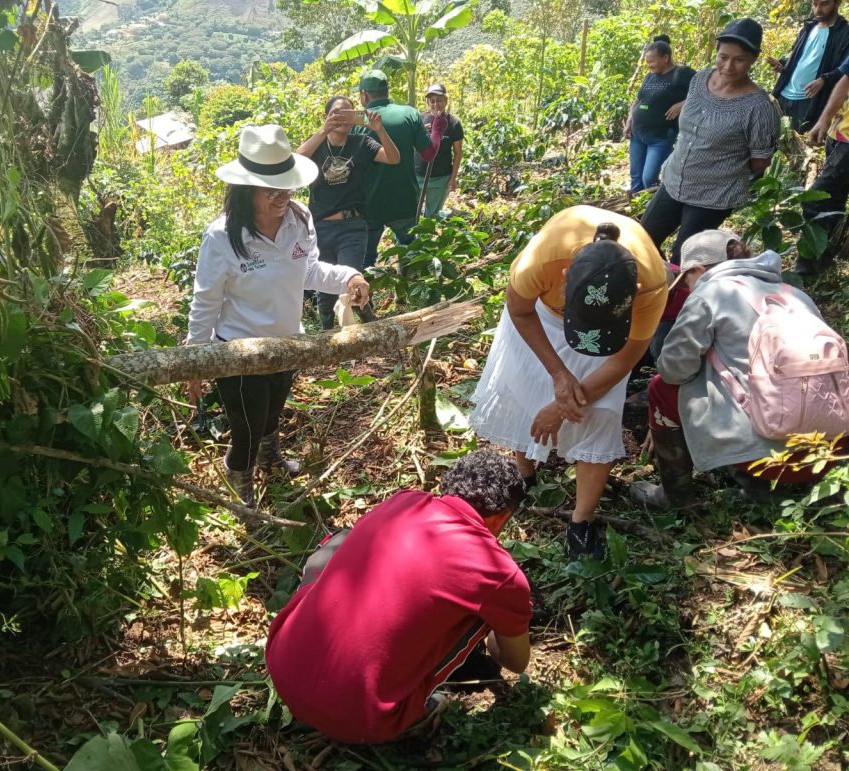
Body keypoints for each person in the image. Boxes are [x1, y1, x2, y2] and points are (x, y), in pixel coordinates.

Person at [265, 449, 531, 744]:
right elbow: (516, 662)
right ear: (502, 518)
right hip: (362, 720)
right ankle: (417, 710)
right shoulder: (498, 572)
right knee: (479, 610)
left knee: (342, 539)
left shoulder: (404, 501)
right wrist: (498, 625)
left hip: (281, 669)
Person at [185, 125, 371, 508]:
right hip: (239, 354)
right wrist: (195, 360)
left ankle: (270, 458)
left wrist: (349, 276)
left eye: (286, 187)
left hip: (288, 343)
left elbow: (310, 271)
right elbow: (206, 301)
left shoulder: (299, 220)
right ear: (245, 189)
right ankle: (242, 488)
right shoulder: (222, 237)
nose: (282, 197)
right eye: (271, 190)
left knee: (272, 413)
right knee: (246, 430)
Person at [469, 206, 668, 560]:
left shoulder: (650, 285)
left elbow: (623, 359)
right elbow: (520, 310)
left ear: (635, 291)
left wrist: (564, 405)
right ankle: (524, 473)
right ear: (565, 274)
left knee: (600, 412)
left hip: (611, 333)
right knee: (526, 389)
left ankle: (581, 521)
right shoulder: (543, 259)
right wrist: (559, 375)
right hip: (542, 319)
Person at [633, 231, 840, 507]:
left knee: (661, 387)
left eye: (687, 280)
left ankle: (676, 496)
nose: (688, 288)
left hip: (767, 459)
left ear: (697, 270)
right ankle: (762, 487)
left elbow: (673, 369)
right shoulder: (794, 294)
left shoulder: (709, 294)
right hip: (829, 452)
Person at [639, 18, 781, 264]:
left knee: (684, 260)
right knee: (642, 241)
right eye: (723, 57)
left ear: (754, 59)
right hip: (674, 181)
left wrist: (720, 167)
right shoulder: (700, 79)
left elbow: (760, 161)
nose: (728, 66)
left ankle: (674, 288)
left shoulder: (759, 107)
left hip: (713, 197)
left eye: (739, 60)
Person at [297, 96, 399, 329]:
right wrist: (323, 131)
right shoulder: (316, 143)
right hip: (320, 226)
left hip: (352, 225)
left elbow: (393, 158)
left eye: (349, 113)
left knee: (351, 277)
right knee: (324, 286)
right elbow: (295, 162)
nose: (343, 118)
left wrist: (380, 130)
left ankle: (366, 323)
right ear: (326, 116)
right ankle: (327, 331)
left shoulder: (362, 143)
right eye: (337, 113)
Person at [353, 69, 446, 269]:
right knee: (410, 253)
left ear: (364, 95)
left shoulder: (359, 120)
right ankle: (408, 284)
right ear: (387, 91)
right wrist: (437, 129)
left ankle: (365, 287)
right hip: (404, 200)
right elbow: (429, 153)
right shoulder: (409, 113)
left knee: (366, 258)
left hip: (369, 203)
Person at [796, 56, 849, 275]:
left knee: (816, 199)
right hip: (839, 132)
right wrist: (825, 119)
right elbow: (846, 80)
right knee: (833, 198)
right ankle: (824, 258)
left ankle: (807, 263)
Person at [624, 35, 695, 195]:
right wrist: (629, 119)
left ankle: (655, 206)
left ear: (665, 58)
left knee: (649, 178)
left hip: (660, 138)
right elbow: (639, 99)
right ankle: (637, 208)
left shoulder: (682, 73)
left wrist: (682, 104)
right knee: (636, 178)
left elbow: (705, 91)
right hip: (638, 135)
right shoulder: (650, 76)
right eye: (647, 62)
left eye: (652, 61)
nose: (649, 65)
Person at [768, 0, 849, 133]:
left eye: (824, 4)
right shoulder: (809, 27)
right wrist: (782, 64)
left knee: (802, 143)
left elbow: (844, 70)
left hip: (811, 102)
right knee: (773, 138)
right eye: (814, 4)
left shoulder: (844, 33)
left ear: (837, 3)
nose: (818, 9)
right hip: (784, 96)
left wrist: (823, 80)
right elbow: (797, 57)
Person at [416, 83, 464, 218]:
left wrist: (453, 178)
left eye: (439, 100)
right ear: (428, 103)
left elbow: (458, 153)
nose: (436, 104)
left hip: (441, 177)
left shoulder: (453, 123)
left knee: (432, 216)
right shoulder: (420, 119)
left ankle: (427, 231)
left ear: (446, 101)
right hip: (417, 174)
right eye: (432, 101)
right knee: (411, 213)